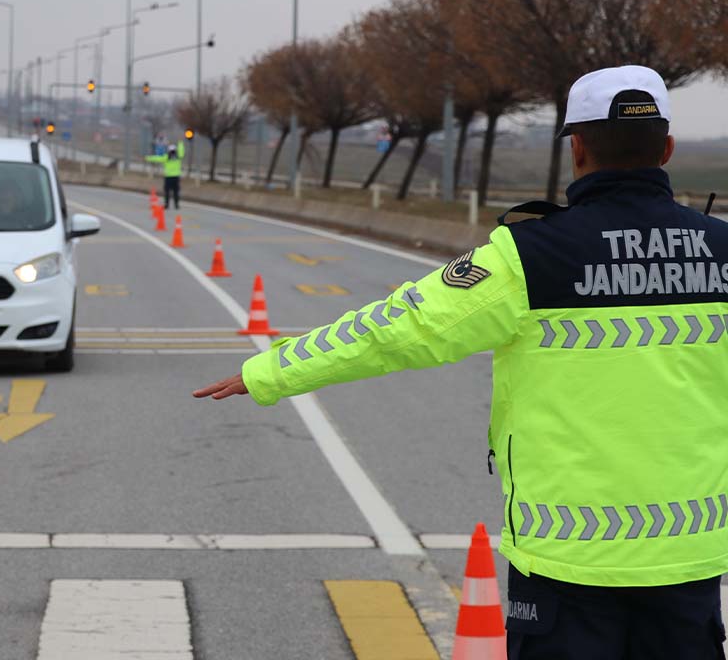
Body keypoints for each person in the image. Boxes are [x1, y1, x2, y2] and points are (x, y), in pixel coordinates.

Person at [194, 65, 728, 659]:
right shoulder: (723, 251)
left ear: (577, 149)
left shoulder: (529, 256)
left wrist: (266, 372)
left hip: (568, 563)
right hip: (690, 562)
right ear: (668, 149)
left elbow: (395, 329)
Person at [146, 141, 185, 210]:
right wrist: (180, 143)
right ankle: (176, 205)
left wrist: (148, 158)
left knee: (167, 192)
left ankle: (167, 205)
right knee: (176, 192)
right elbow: (182, 151)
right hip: (176, 177)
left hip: (168, 177)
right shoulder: (178, 157)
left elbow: (157, 158)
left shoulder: (166, 157)